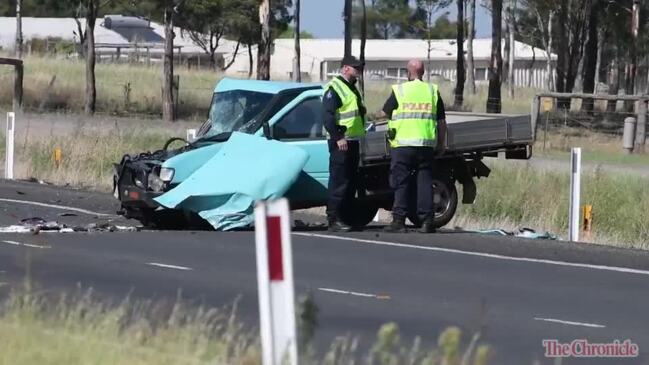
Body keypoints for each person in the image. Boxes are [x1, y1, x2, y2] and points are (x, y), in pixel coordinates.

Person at [381, 59, 447, 233]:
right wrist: (441, 144)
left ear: (408, 73)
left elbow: (384, 112)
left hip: (402, 145)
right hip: (425, 146)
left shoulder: (400, 90)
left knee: (401, 182)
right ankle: (426, 221)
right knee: (424, 183)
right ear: (423, 72)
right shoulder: (432, 91)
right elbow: (441, 122)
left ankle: (399, 221)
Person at [322, 56, 367, 232]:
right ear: (345, 68)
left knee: (349, 182)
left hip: (353, 141)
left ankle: (345, 218)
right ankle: (333, 219)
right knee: (339, 181)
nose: (358, 70)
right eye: (355, 67)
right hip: (341, 142)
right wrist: (338, 136)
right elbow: (328, 116)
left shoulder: (352, 87)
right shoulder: (335, 88)